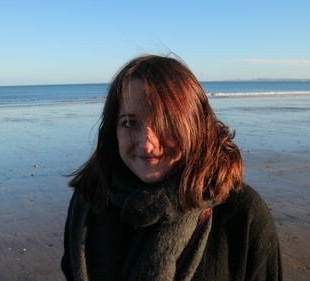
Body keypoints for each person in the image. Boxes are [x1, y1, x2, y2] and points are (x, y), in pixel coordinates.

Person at [61, 55, 282, 281]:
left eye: (165, 122)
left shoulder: (242, 213)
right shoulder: (89, 202)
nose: (147, 143)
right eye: (130, 122)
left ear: (196, 126)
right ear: (112, 130)